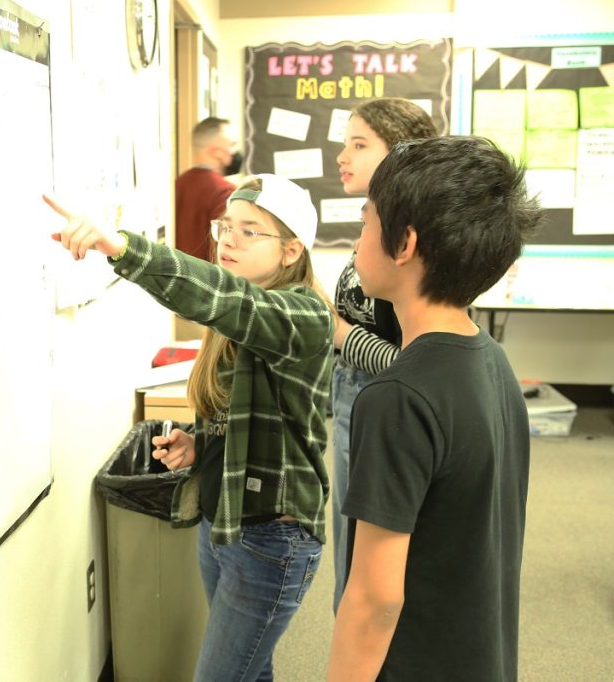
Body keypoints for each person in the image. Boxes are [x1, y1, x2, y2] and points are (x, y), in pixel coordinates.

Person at [45, 174, 333, 682]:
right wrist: (198, 445)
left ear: (291, 251)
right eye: (226, 227)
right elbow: (241, 418)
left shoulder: (302, 315)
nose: (229, 240)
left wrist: (119, 246)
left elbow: (218, 297)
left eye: (250, 232)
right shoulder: (240, 313)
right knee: (251, 669)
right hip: (221, 518)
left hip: (272, 535)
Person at [326, 136, 543, 681]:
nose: (356, 245)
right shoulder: (493, 362)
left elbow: (374, 600)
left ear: (404, 244)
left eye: (365, 225)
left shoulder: (397, 399)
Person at [328, 98, 438, 611]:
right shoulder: (376, 220)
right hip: (354, 402)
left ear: (400, 152)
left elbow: (414, 362)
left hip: (379, 405)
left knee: (366, 569)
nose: (341, 157)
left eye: (358, 144)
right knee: (350, 558)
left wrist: (339, 334)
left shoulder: (410, 238)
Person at [175, 117, 239, 261]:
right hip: (208, 279)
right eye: (232, 144)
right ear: (215, 151)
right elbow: (226, 249)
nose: (235, 151)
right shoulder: (225, 192)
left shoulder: (177, 184)